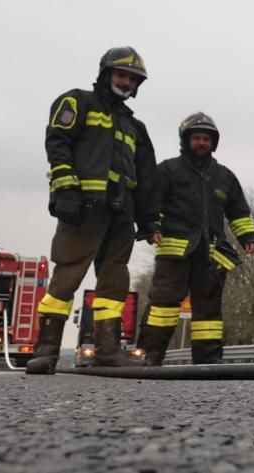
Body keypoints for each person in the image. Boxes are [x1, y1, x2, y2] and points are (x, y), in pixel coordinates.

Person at [26, 46, 158, 374]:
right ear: (106, 73)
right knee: (68, 274)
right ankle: (46, 350)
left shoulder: (135, 126)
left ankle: (107, 350)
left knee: (115, 280)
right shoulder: (77, 101)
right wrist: (66, 188)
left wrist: (149, 221)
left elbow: (146, 177)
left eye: (133, 79)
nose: (127, 83)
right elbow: (58, 142)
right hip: (84, 206)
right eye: (122, 75)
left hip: (122, 212)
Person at [135, 112, 254, 365]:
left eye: (206, 139)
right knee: (164, 305)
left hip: (211, 254)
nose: (202, 143)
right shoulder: (167, 170)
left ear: (213, 143)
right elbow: (151, 203)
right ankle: (152, 355)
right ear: (186, 140)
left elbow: (238, 211)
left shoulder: (225, 176)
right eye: (197, 138)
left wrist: (248, 236)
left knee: (209, 308)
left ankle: (208, 359)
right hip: (174, 252)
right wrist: (151, 227)